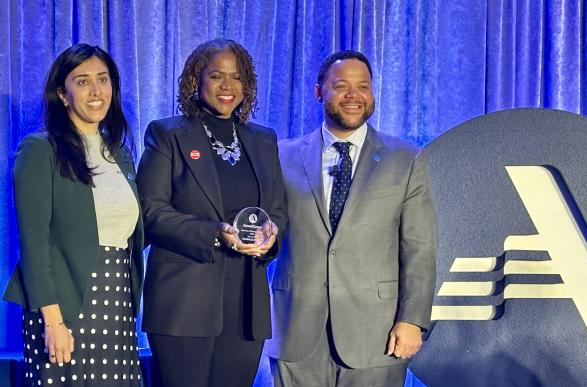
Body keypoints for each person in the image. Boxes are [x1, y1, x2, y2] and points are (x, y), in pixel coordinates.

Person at [265, 50, 437, 386]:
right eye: (341, 85)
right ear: (319, 91)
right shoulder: (281, 155)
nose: (353, 95)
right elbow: (269, 231)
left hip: (377, 336)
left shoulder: (405, 159)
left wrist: (413, 320)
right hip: (296, 331)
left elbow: (420, 248)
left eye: (363, 86)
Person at [136, 38, 286, 387]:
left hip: (246, 306)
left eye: (237, 77)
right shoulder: (167, 134)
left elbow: (277, 210)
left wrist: (270, 236)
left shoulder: (263, 140)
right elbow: (151, 212)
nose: (227, 86)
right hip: (184, 303)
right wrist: (213, 232)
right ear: (195, 80)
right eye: (217, 76)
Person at [3, 43, 145, 386]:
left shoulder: (120, 153)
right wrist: (53, 322)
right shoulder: (40, 149)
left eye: (103, 79)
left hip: (117, 306)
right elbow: (34, 245)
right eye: (82, 81)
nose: (96, 91)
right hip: (65, 308)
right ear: (62, 94)